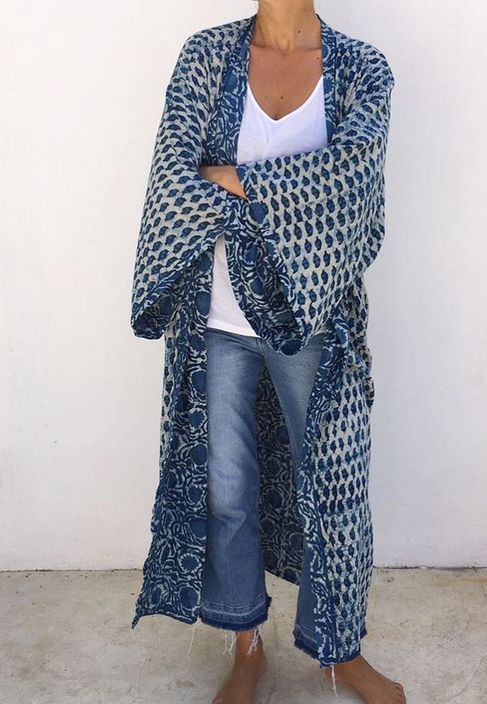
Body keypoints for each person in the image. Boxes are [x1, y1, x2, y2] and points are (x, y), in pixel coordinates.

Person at [130, 1, 403, 702]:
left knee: (334, 488)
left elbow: (351, 193)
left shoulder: (362, 70)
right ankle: (245, 644)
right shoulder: (206, 56)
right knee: (227, 490)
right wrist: (291, 195)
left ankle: (340, 651)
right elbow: (173, 181)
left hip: (315, 322)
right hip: (215, 319)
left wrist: (235, 179)